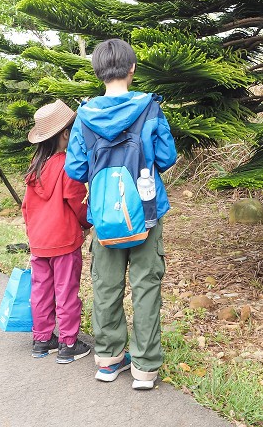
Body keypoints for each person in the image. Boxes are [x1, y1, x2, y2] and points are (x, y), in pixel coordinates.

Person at [65, 38, 177, 390]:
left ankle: (109, 360)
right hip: (145, 214)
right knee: (145, 288)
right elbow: (167, 157)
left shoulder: (84, 116)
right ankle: (144, 369)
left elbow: (76, 169)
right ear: (132, 69)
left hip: (104, 218)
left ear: (98, 72)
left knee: (106, 286)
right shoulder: (150, 108)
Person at [22, 99, 92, 364]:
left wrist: (33, 236)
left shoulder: (35, 166)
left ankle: (41, 340)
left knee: (40, 291)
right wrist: (87, 223)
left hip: (39, 243)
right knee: (66, 291)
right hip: (64, 242)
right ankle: (68, 343)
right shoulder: (67, 165)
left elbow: (26, 208)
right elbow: (75, 201)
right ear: (65, 134)